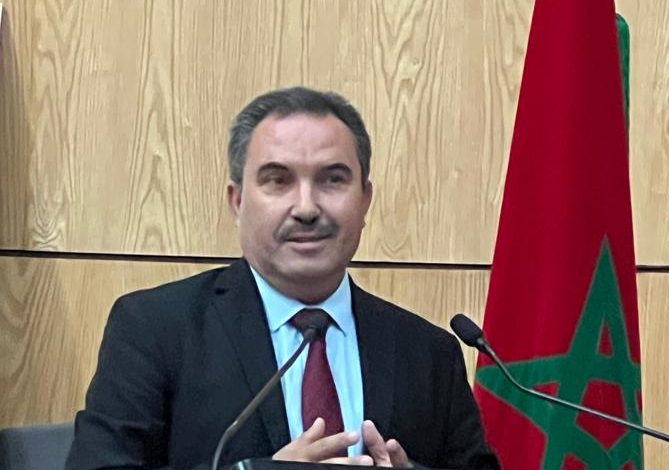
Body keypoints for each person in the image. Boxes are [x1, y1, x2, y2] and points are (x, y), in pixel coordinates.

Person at [66, 87, 498, 469]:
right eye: (278, 180)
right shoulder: (154, 329)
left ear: (365, 200)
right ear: (237, 202)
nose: (306, 207)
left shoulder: (428, 353)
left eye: (332, 180)